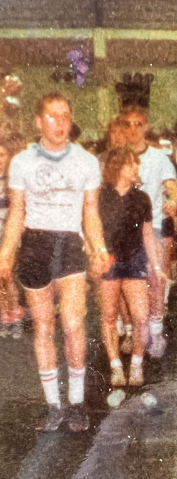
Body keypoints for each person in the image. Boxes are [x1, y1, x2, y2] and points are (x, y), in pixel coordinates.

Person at [0, 92, 110, 431]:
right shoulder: (21, 162)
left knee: (74, 325)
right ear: (38, 121)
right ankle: (52, 406)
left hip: (69, 244)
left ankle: (76, 403)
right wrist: (5, 255)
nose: (60, 123)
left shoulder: (86, 161)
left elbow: (90, 212)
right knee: (44, 328)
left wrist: (99, 247)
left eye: (65, 116)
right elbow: (16, 212)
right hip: (35, 243)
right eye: (52, 116)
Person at [98, 148, 163, 388]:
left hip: (135, 260)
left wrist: (156, 266)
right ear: (117, 168)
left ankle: (136, 364)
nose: (136, 168)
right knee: (108, 315)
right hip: (109, 260)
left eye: (136, 164)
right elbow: (91, 228)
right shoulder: (100, 196)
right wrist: (95, 256)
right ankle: (115, 366)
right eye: (131, 164)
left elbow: (147, 235)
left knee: (140, 317)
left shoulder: (142, 198)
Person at [121, 105, 177, 358]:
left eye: (138, 124)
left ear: (145, 127)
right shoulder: (116, 156)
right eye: (128, 124)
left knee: (155, 280)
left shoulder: (158, 158)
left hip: (153, 225)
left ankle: (155, 333)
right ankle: (130, 331)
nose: (134, 129)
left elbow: (172, 187)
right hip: (122, 231)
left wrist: (173, 201)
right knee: (123, 284)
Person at [0, 138, 25, 339]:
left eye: (2, 155)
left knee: (6, 276)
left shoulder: (14, 180)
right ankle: (4, 315)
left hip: (8, 234)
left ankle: (15, 312)